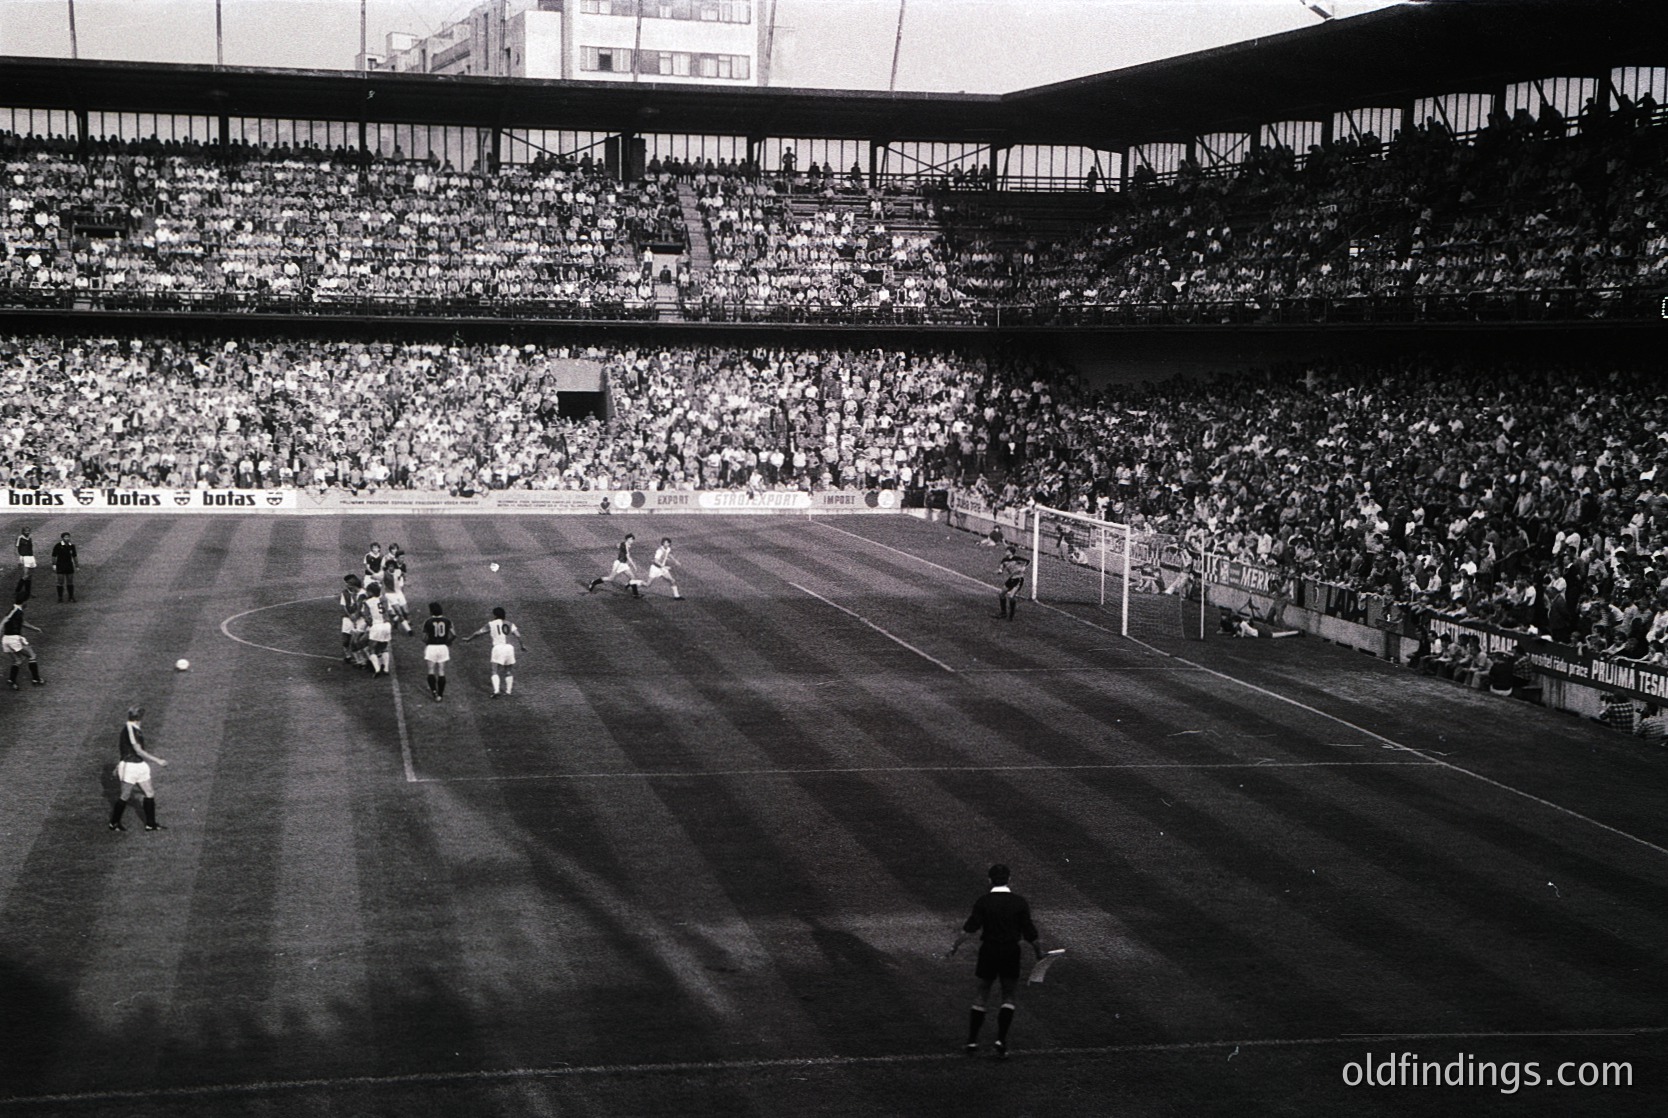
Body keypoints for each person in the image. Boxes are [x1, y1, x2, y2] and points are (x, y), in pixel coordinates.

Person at [945, 864, 1043, 1059]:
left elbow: (969, 929)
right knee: (1008, 995)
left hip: (989, 950)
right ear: (1009, 879)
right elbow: (1030, 932)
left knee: (982, 993)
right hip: (1010, 951)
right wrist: (1039, 953)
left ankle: (972, 1041)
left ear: (989, 880)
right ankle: (1001, 1040)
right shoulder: (1019, 902)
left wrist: (954, 947)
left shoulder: (984, 902)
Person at [108, 705, 168, 832]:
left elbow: (125, 748)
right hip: (130, 766)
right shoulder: (130, 729)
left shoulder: (134, 728)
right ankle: (114, 823)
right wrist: (158, 760)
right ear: (140, 717)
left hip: (139, 765)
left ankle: (150, 824)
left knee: (149, 793)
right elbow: (137, 750)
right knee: (125, 795)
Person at [464, 607, 527, 697]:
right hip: (509, 648)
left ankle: (496, 691)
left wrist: (469, 639)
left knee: (494, 671)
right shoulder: (510, 624)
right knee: (508, 671)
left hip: (498, 648)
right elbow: (518, 635)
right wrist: (522, 646)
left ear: (495, 615)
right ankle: (508, 691)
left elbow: (478, 633)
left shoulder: (491, 624)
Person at [3, 596, 44, 690]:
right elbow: (4, 621)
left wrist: (34, 628)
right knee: (32, 655)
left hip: (5, 639)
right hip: (14, 639)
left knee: (18, 660)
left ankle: (11, 680)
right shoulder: (16, 611)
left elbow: (22, 622)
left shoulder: (16, 610)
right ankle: (36, 679)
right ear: (24, 602)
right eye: (27, 601)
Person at [588, 533, 644, 598]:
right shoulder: (626, 545)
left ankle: (635, 594)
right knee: (610, 578)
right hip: (619, 564)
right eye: (631, 539)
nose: (632, 541)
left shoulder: (625, 544)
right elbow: (628, 556)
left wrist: (619, 546)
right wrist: (634, 565)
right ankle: (593, 582)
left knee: (633, 578)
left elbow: (618, 545)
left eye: (633, 540)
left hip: (624, 564)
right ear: (628, 539)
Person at [421, 601, 456, 702]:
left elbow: (423, 637)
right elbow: (454, 634)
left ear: (431, 611)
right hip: (443, 647)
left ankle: (434, 692)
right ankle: (440, 694)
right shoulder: (447, 621)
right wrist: (448, 642)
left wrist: (428, 642)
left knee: (431, 670)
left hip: (431, 647)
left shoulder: (427, 621)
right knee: (441, 671)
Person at [362, 583, 395, 677]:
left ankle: (377, 670)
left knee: (371, 648)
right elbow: (389, 612)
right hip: (386, 625)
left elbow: (367, 617)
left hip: (376, 625)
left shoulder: (367, 602)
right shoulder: (384, 599)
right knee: (384, 647)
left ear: (371, 592)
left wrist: (370, 625)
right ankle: (386, 669)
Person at [382, 543, 413, 633]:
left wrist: (404, 580)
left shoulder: (402, 566)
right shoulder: (392, 566)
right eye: (401, 558)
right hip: (391, 591)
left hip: (398, 588)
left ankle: (397, 619)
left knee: (405, 610)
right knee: (395, 610)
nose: (403, 559)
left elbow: (403, 574)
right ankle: (404, 625)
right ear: (397, 558)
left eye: (403, 558)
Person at [339, 574, 367, 665]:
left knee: (358, 640)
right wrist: (350, 616)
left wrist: (356, 616)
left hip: (360, 618)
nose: (347, 585)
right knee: (345, 640)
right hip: (348, 618)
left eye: (349, 583)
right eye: (346, 583)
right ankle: (348, 656)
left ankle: (362, 660)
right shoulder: (344, 593)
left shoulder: (362, 593)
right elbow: (344, 606)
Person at [997, 544, 1030, 621]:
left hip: (1018, 579)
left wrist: (1023, 568)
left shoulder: (1017, 559)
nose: (1006, 552)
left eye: (1007, 551)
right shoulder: (1004, 560)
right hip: (1011, 579)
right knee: (1001, 594)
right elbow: (1001, 567)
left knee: (1011, 597)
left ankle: (1011, 616)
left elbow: (1028, 561)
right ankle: (1003, 613)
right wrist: (1000, 571)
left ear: (1011, 552)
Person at [50, 531, 77, 603]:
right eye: (66, 537)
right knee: (60, 581)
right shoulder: (58, 546)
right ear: (62, 538)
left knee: (70, 581)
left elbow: (74, 556)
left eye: (68, 537)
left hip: (69, 565)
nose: (67, 538)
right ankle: (60, 597)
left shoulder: (72, 546)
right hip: (60, 565)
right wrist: (54, 565)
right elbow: (54, 556)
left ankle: (71, 597)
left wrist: (77, 565)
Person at [14, 526, 34, 602]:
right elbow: (16, 549)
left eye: (28, 531)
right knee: (25, 575)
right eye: (26, 531)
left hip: (31, 557)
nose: (27, 532)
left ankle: (28, 593)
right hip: (24, 557)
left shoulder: (30, 538)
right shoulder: (20, 538)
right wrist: (19, 559)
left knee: (30, 576)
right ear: (23, 532)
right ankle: (17, 590)